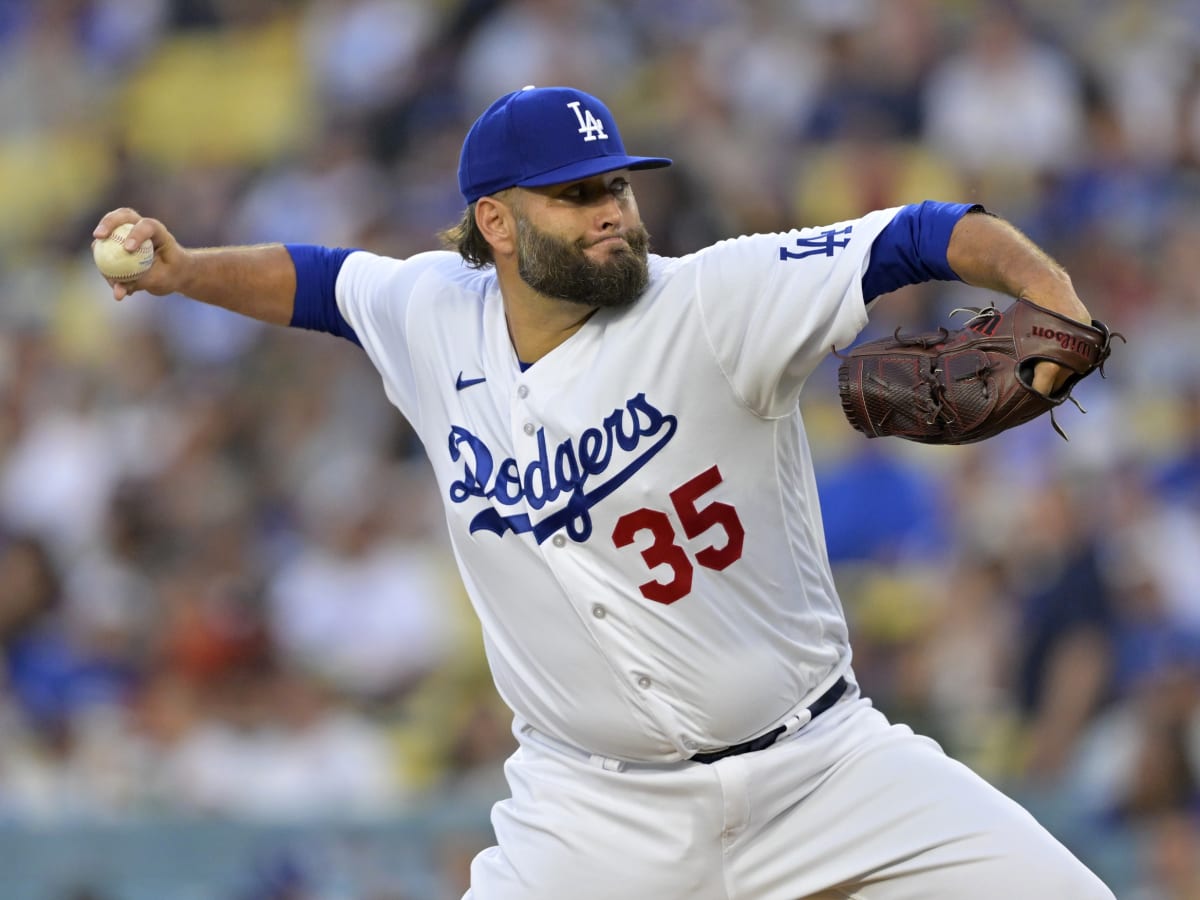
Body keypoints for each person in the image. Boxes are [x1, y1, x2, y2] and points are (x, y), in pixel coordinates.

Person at [92, 85, 1114, 899]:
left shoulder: (714, 300)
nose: (614, 214)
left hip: (822, 771)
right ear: (494, 221)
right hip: (591, 815)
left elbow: (925, 232)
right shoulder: (433, 311)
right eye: (576, 195)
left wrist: (1055, 298)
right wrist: (185, 272)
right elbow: (320, 281)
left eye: (617, 188)